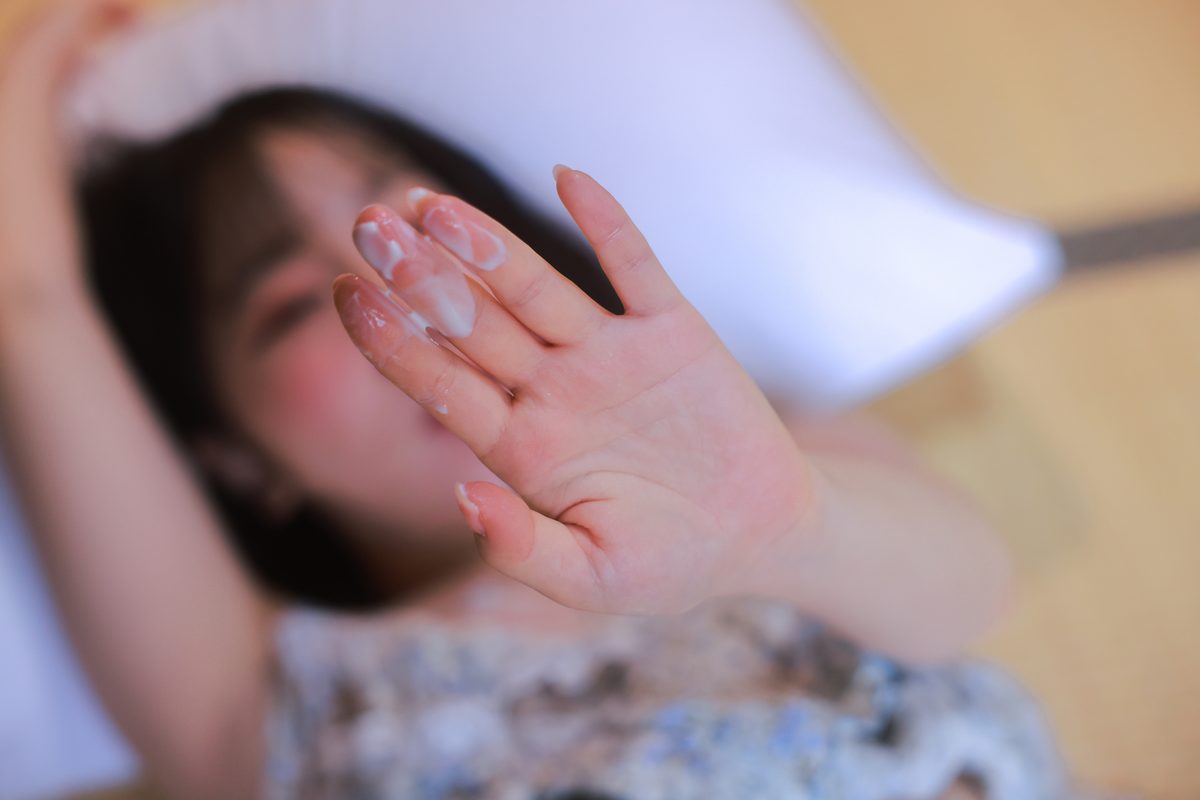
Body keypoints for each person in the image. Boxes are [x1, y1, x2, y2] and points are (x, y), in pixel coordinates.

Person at [0, 2, 1063, 798]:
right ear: (237, 456)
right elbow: (28, 301)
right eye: (286, 305)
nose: (401, 288)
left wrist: (789, 531)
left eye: (414, 225)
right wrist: (45, 44)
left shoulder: (782, 461)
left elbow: (971, 595)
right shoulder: (261, 704)